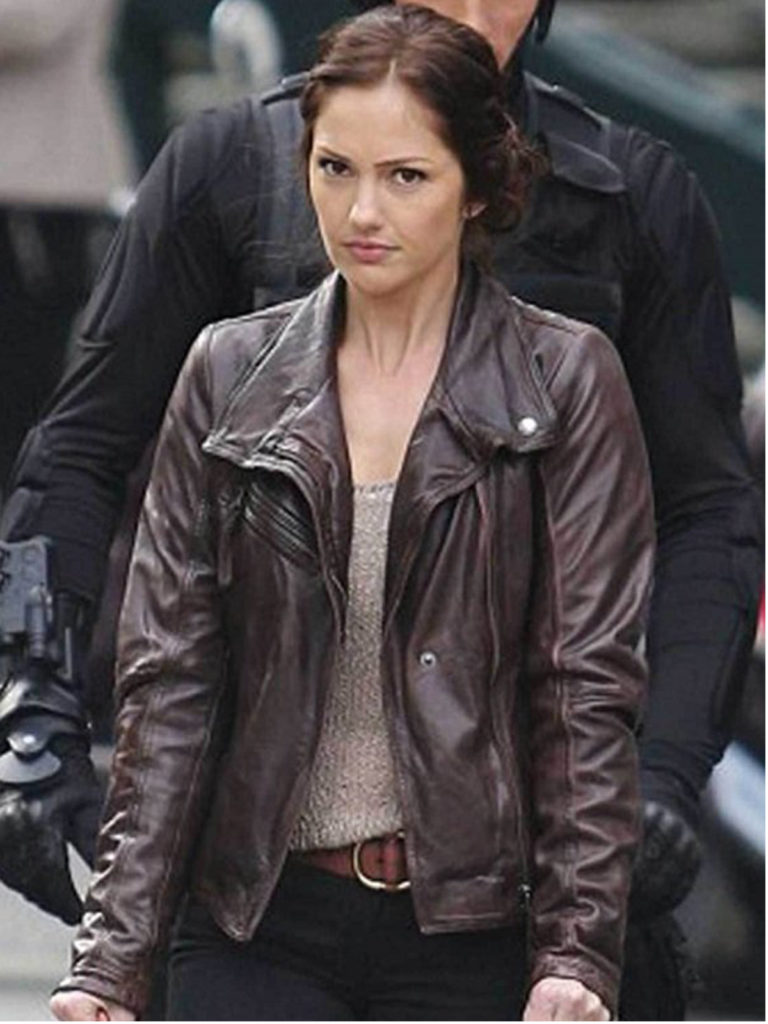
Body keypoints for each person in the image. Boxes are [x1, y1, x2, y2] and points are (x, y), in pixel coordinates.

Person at [0, 0, 760, 1017]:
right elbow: (83, 463)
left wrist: (659, 777)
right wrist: (36, 712)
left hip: (514, 878)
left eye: (408, 178)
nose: (471, 14)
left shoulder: (627, 201)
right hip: (256, 883)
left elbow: (704, 515)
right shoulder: (229, 178)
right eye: (338, 172)